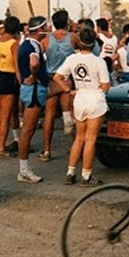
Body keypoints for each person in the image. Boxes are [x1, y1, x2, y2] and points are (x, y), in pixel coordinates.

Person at [53, 27, 111, 187]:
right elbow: (106, 85)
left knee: (79, 138)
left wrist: (68, 90)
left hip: (79, 97)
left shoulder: (72, 59)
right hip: (94, 98)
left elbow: (57, 77)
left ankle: (70, 172)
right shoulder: (99, 61)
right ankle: (86, 175)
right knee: (90, 140)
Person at [15, 15, 50, 183]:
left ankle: (24, 169)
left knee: (28, 130)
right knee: (28, 131)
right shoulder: (33, 45)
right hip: (34, 89)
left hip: (33, 88)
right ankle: (23, 170)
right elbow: (34, 63)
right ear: (40, 29)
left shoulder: (27, 44)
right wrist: (33, 75)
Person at [41, 10, 76, 161]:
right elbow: (84, 47)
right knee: (72, 113)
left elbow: (38, 56)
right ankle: (75, 146)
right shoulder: (72, 37)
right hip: (67, 78)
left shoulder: (46, 40)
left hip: (51, 78)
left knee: (49, 114)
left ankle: (47, 150)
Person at [0, 16, 20, 159]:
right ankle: (1, 148)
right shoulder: (14, 43)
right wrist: (21, 82)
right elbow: (16, 65)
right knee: (5, 116)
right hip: (9, 77)